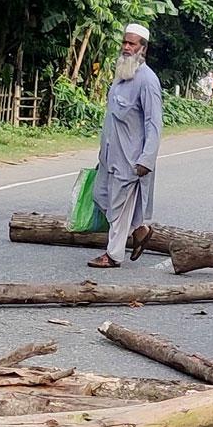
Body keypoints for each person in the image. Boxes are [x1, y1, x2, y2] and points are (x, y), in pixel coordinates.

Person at [87, 24, 162, 268]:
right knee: (100, 196)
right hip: (110, 155)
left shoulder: (148, 80)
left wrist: (146, 159)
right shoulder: (122, 76)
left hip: (131, 159)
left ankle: (113, 254)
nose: (127, 47)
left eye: (133, 44)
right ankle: (140, 230)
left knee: (118, 208)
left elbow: (154, 123)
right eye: (125, 42)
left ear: (143, 48)